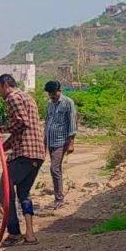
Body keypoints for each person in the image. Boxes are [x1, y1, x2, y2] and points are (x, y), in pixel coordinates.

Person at [0, 74, 45, 246]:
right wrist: (0, 149)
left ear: (5, 84)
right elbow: (22, 130)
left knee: (4, 190)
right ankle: (30, 234)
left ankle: (14, 232)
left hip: (24, 153)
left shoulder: (12, 98)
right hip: (37, 154)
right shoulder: (27, 97)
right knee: (24, 194)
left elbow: (20, 123)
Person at [43, 80, 77, 210]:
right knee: (56, 169)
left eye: (53, 94)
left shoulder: (68, 103)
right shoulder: (50, 105)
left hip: (61, 141)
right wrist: (44, 140)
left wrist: (71, 143)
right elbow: (47, 122)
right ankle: (58, 196)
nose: (51, 96)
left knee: (54, 168)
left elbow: (72, 123)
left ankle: (59, 199)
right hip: (51, 141)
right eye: (49, 94)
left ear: (59, 91)